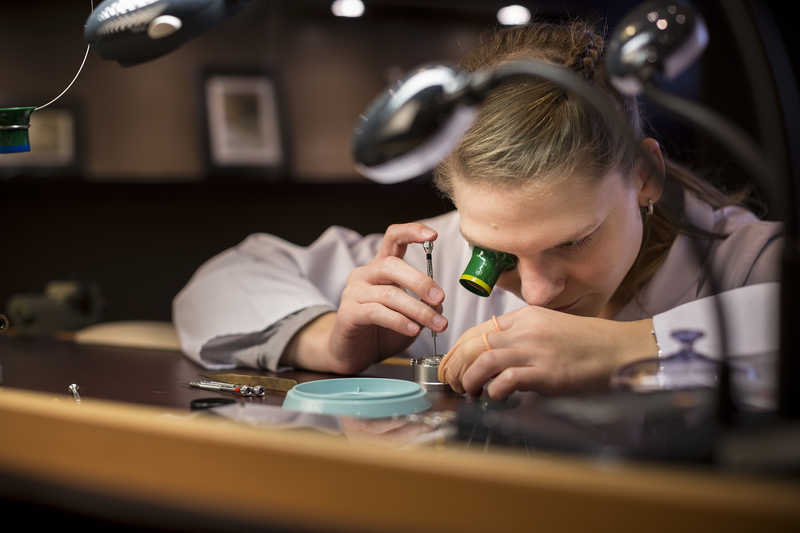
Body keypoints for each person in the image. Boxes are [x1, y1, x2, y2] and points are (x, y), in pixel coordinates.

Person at [172, 20, 782, 400]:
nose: (537, 295)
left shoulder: (745, 259)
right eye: (498, 255)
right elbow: (219, 283)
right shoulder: (440, 257)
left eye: (574, 242)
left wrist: (628, 348)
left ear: (645, 177)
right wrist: (328, 339)